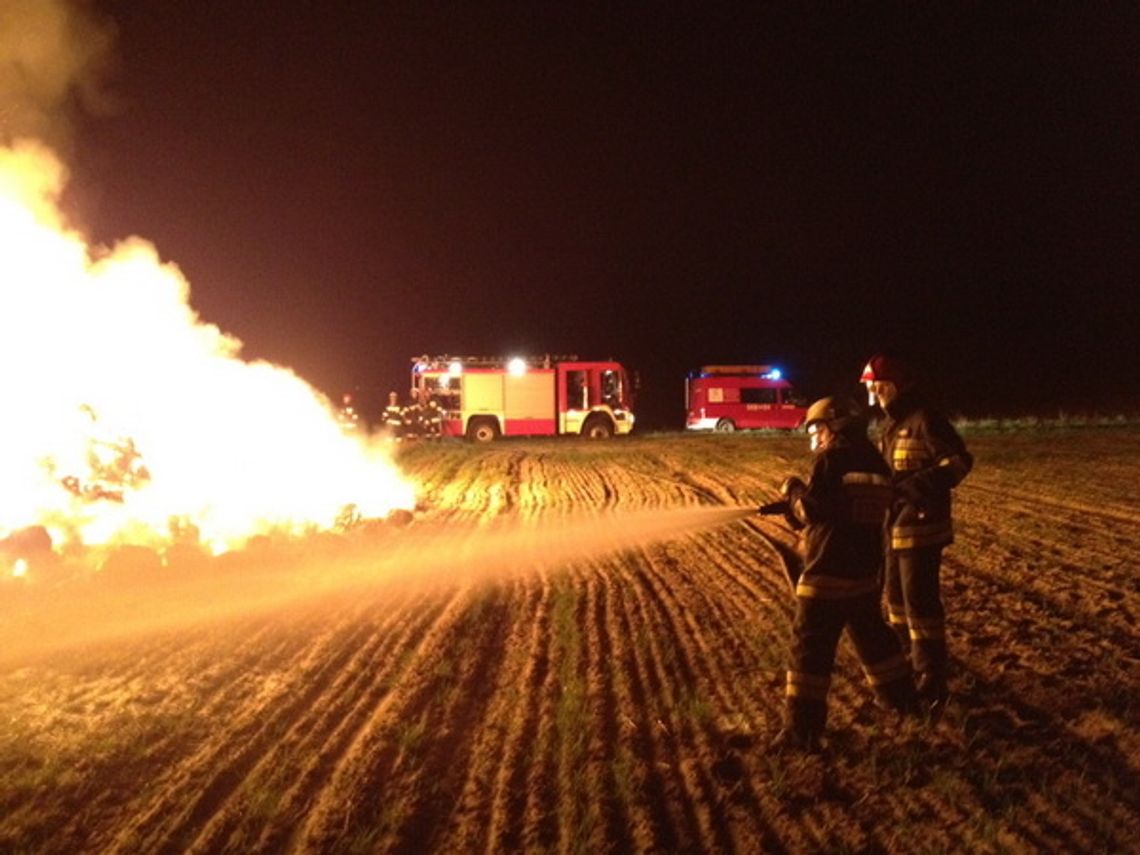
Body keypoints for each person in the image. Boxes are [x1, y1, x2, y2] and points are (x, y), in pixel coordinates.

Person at [769, 395, 916, 752]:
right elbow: (844, 510)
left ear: (834, 427)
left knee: (810, 652)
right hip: (864, 571)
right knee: (874, 639)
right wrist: (796, 510)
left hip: (827, 573)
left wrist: (792, 492)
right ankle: (902, 700)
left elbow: (814, 508)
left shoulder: (831, 461)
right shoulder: (877, 462)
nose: (816, 437)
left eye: (818, 429)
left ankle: (801, 731)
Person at [860, 354, 973, 714]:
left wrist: (914, 487)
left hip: (922, 530)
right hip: (893, 530)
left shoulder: (925, 420)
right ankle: (906, 666)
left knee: (920, 606)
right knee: (894, 603)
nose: (875, 396)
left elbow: (958, 462)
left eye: (877, 388)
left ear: (892, 386)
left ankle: (931, 678)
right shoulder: (890, 426)